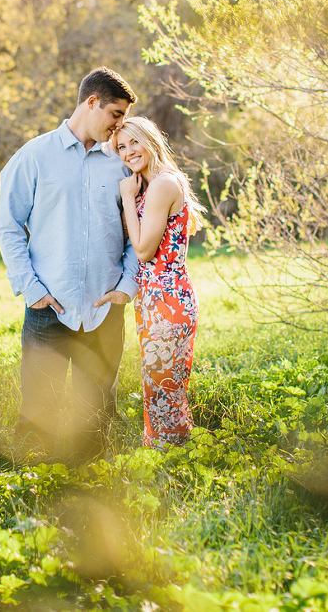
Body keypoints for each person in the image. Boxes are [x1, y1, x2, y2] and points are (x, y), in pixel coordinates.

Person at [0, 67, 139, 462]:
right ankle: (32, 487)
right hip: (49, 308)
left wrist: (127, 286)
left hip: (104, 309)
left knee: (96, 415)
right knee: (38, 411)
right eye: (115, 115)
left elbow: (136, 233)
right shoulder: (34, 156)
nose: (119, 126)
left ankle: (95, 489)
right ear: (91, 102)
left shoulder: (121, 163)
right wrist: (33, 289)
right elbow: (8, 227)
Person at [113, 116, 206, 447]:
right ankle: (169, 458)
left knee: (164, 388)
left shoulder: (163, 185)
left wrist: (126, 197)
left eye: (133, 142)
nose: (128, 152)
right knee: (160, 388)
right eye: (121, 147)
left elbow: (143, 250)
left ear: (150, 139)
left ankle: (172, 463)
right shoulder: (153, 185)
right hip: (157, 302)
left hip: (167, 302)